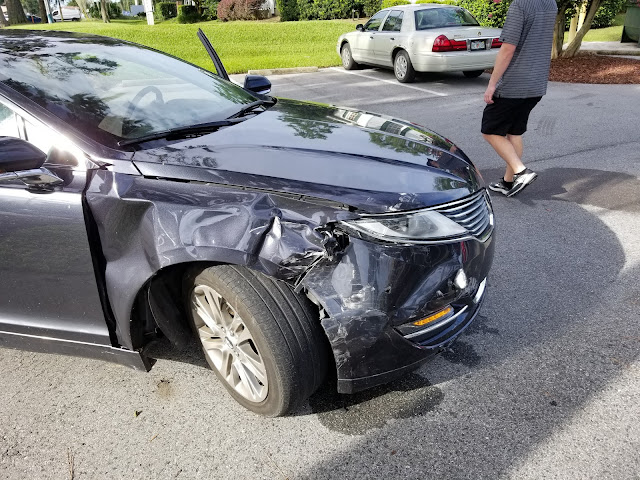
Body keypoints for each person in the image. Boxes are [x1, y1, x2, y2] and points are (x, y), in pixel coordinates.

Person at [481, 0, 558, 197]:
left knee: (490, 130)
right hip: (536, 83)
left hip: (514, 83)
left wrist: (492, 84)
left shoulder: (520, 5)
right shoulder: (551, 3)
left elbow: (508, 49)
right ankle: (508, 182)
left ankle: (521, 171)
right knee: (514, 132)